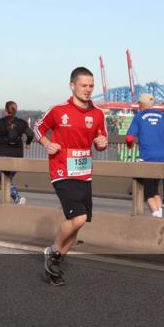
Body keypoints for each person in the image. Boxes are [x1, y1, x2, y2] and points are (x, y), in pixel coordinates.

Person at [33, 67, 109, 286]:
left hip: (84, 172)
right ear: (72, 86)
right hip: (61, 170)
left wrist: (102, 143)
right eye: (84, 85)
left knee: (77, 226)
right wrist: (46, 143)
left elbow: (102, 140)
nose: (88, 89)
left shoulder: (98, 114)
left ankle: (54, 267)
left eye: (91, 86)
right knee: (79, 218)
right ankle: (53, 250)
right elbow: (38, 127)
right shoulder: (58, 110)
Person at [125, 93, 164, 218]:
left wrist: (129, 145)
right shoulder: (163, 116)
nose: (138, 106)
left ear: (142, 104)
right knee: (155, 190)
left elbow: (129, 137)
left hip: (147, 159)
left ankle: (155, 216)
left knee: (148, 192)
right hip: (162, 159)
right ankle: (159, 215)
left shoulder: (139, 116)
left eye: (139, 103)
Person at [0, 100, 34, 204]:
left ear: (5, 110)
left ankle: (16, 198)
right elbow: (31, 134)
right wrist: (28, 143)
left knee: (4, 180)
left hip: (2, 155)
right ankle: (15, 199)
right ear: (15, 110)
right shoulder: (22, 123)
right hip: (17, 156)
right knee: (7, 179)